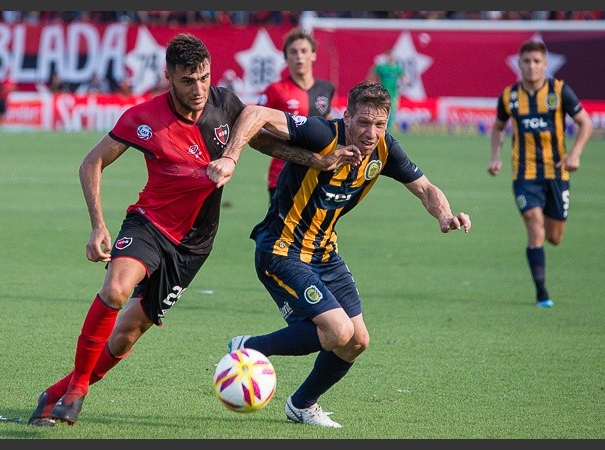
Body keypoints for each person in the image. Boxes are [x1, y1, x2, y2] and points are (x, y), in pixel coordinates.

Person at [27, 33, 360, 427]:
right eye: (188, 80)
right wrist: (97, 225)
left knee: (125, 336)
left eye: (204, 77)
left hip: (194, 245)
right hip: (149, 224)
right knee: (115, 290)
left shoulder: (223, 104)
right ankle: (78, 391)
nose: (199, 88)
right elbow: (91, 163)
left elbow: (264, 142)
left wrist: (316, 161)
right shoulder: (142, 117)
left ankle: (53, 394)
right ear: (168, 77)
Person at [206, 80, 471, 428]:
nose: (371, 132)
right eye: (363, 122)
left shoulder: (385, 149)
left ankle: (301, 405)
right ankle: (250, 346)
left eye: (379, 124)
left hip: (324, 252)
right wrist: (230, 157)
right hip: (281, 249)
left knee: (357, 341)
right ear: (346, 118)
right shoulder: (320, 134)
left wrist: (445, 215)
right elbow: (254, 113)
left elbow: (425, 189)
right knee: (336, 333)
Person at [487, 40, 593, 309]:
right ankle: (542, 294)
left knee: (554, 237)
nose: (531, 66)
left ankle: (544, 241)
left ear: (545, 65)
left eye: (536, 61)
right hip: (524, 175)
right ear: (519, 64)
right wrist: (496, 157)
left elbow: (585, 123)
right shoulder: (509, 96)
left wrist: (575, 153)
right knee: (535, 229)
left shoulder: (559, 91)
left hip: (557, 173)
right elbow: (498, 127)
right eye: (526, 61)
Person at [259, 27, 335, 200]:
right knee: (281, 227)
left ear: (314, 55)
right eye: (293, 52)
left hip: (317, 174)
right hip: (282, 175)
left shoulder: (326, 89)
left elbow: (327, 120)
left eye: (304, 51)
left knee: (317, 226)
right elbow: (258, 127)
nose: (299, 56)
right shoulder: (275, 90)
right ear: (286, 57)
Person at [367, 50, 407, 132]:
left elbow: (405, 77)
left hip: (393, 94)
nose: (391, 58)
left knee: (391, 113)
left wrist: (402, 83)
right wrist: (373, 84)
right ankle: (380, 128)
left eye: (392, 56)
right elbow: (372, 73)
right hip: (382, 93)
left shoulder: (397, 68)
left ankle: (386, 130)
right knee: (381, 111)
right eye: (389, 56)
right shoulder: (382, 67)